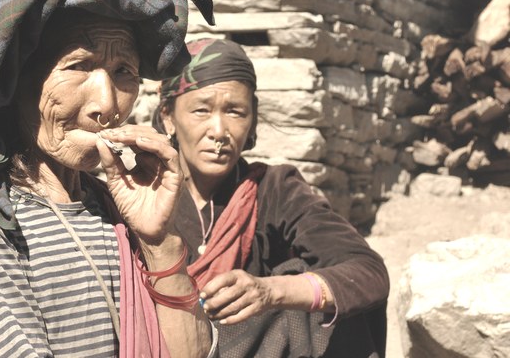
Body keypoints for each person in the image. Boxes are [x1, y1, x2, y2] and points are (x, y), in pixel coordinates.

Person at [0, 0, 219, 357]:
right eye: (79, 66)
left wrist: (159, 242)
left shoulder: (112, 206)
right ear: (16, 81)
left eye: (124, 72)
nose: (107, 104)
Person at [151, 38, 390, 358]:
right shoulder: (142, 195)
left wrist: (272, 291)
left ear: (253, 119)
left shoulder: (275, 189)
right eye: (201, 110)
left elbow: (368, 272)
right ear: (169, 117)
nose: (219, 131)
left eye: (235, 112)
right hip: (158, 345)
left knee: (310, 289)